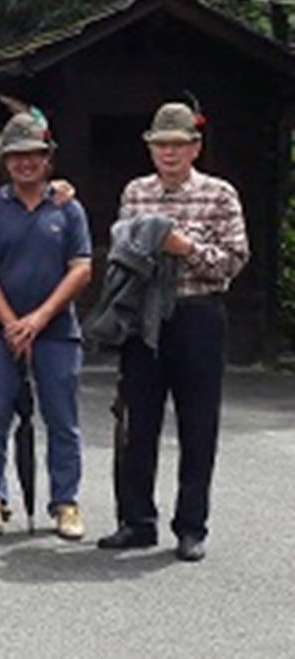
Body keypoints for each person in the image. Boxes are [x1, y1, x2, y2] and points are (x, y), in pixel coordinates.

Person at [97, 101, 248, 562]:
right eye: (161, 144)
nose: (169, 152)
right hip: (143, 314)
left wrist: (185, 248)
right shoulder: (136, 192)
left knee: (197, 424)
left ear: (195, 147)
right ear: (150, 148)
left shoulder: (219, 194)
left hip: (197, 313)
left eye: (178, 144)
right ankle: (136, 521)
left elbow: (234, 260)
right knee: (136, 422)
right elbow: (122, 250)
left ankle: (191, 526)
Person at [0, 109, 92, 541]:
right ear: (5, 160)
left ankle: (66, 502)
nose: (25, 163)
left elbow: (81, 269)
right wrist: (11, 321)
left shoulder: (68, 208)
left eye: (33, 155)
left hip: (55, 328)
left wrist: (38, 318)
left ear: (47, 158)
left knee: (62, 418)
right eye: (17, 155)